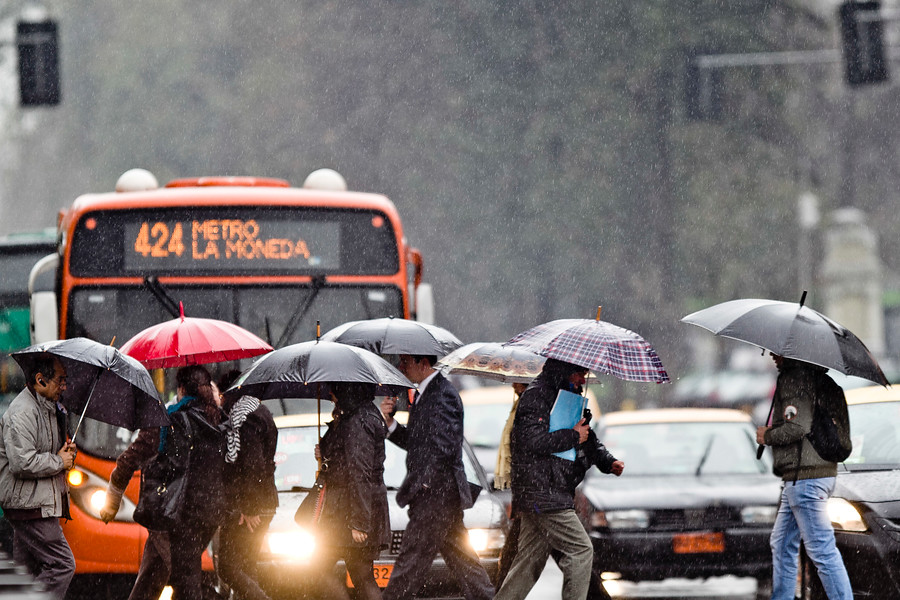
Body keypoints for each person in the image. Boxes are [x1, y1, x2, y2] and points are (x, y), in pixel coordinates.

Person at [494, 358, 624, 600]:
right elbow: (533, 441)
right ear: (565, 370)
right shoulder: (537, 395)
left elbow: (588, 436)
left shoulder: (568, 394)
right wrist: (573, 436)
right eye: (580, 373)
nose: (584, 378)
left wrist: (608, 462)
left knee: (527, 563)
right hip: (544, 492)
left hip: (548, 490)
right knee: (581, 549)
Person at [101, 365, 225, 600]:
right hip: (208, 513)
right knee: (154, 574)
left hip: (172, 513)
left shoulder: (167, 420)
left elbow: (129, 460)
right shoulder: (218, 419)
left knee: (184, 579)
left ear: (180, 388)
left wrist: (112, 501)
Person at [379, 354, 494, 600]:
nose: (401, 366)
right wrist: (391, 425)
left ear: (423, 363)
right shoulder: (425, 394)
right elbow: (417, 443)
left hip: (435, 496)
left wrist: (425, 483)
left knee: (410, 563)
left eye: (406, 361)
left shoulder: (443, 395)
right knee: (463, 563)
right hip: (440, 495)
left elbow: (445, 446)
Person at [756, 354, 853, 600]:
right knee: (781, 543)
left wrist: (767, 436)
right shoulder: (820, 379)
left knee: (822, 550)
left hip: (805, 478)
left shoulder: (795, 379)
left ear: (789, 352)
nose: (772, 355)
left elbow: (797, 427)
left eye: (776, 351)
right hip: (811, 475)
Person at [0, 354, 76, 599]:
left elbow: (43, 453)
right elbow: (22, 462)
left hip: (35, 503)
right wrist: (58, 461)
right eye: (60, 380)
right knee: (62, 565)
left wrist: (63, 453)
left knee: (26, 572)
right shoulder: (22, 413)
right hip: (30, 505)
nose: (64, 386)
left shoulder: (48, 409)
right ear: (40, 380)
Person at [311, 382, 390, 600]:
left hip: (351, 509)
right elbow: (348, 461)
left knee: (322, 569)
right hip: (351, 507)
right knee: (360, 574)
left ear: (346, 391)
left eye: (333, 390)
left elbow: (359, 472)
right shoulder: (356, 415)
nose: (330, 395)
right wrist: (325, 450)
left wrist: (359, 522)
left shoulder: (358, 420)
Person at [216, 370, 278, 600]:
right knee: (247, 568)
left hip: (251, 506)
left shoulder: (243, 416)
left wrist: (250, 507)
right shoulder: (260, 410)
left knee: (229, 568)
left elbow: (253, 465)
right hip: (263, 501)